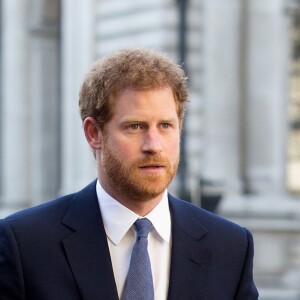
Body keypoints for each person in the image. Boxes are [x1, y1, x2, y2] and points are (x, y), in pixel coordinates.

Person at [0, 48, 259, 299]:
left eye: (166, 126)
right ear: (93, 133)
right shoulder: (25, 245)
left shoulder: (231, 247)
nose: (154, 145)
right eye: (135, 126)